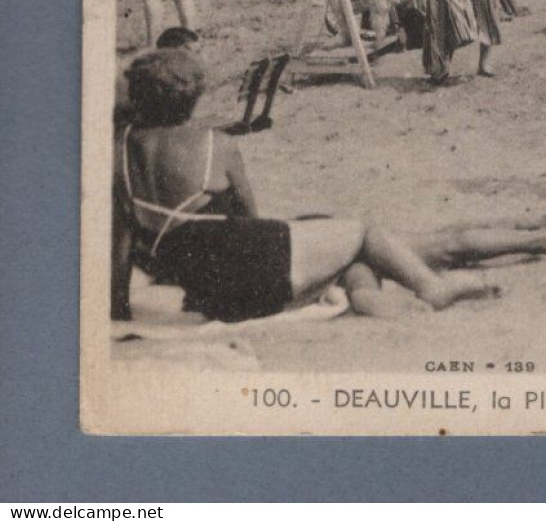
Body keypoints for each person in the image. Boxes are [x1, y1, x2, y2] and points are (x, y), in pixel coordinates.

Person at [111, 48, 511, 323]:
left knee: (337, 246)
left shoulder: (122, 152)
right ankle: (431, 288)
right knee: (362, 231)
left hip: (202, 288)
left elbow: (121, 245)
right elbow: (251, 218)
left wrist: (118, 309)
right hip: (254, 276)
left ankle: (366, 297)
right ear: (192, 97)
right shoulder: (216, 144)